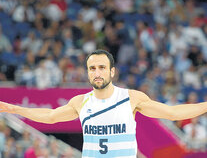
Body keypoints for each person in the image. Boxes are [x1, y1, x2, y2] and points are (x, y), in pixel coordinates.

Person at [0, 49, 207, 158]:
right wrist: (12, 108)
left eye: (101, 67)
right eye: (92, 68)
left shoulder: (131, 97)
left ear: (112, 71)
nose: (97, 73)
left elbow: (172, 113)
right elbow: (50, 117)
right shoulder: (80, 102)